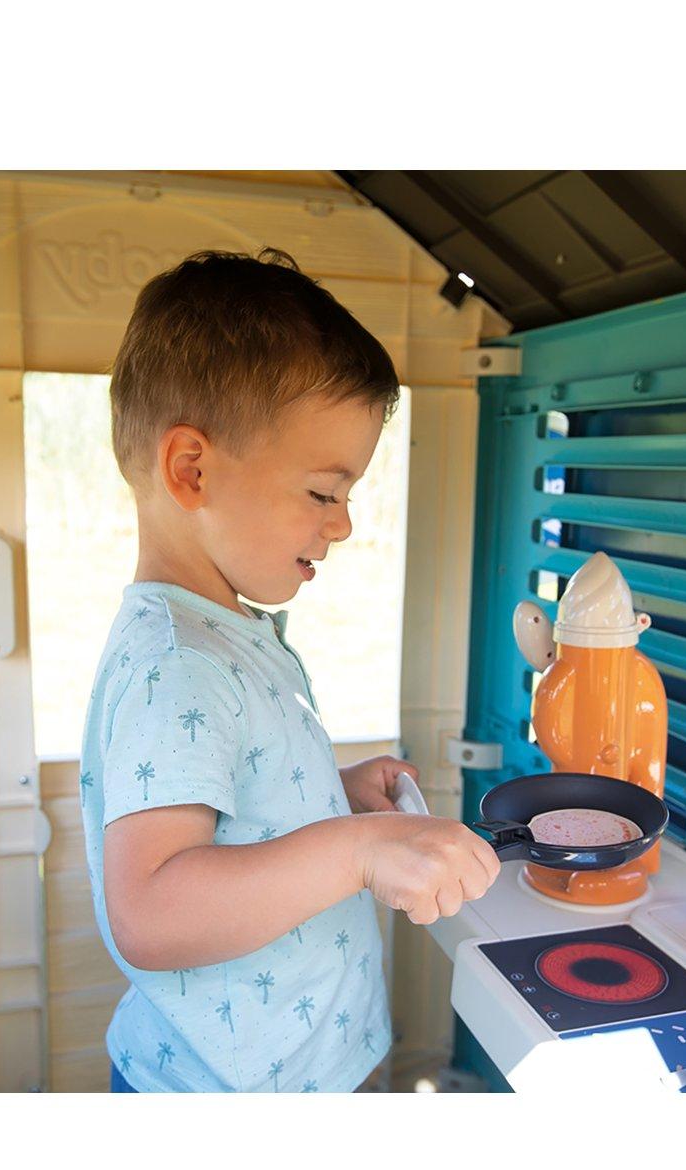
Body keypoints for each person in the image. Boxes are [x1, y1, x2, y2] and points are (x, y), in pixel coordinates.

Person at [80, 248, 499, 1092]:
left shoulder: (232, 630)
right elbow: (153, 911)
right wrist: (359, 849)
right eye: (321, 492)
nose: (342, 524)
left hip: (309, 1070)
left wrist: (335, 790)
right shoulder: (178, 664)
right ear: (191, 470)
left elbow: (236, 804)